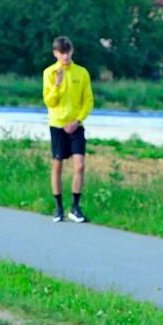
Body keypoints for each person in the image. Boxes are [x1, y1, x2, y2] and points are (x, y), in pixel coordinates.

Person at [42, 35, 93, 223]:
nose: (65, 56)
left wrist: (78, 120)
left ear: (72, 51)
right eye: (61, 53)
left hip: (76, 125)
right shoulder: (49, 73)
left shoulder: (82, 73)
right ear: (56, 53)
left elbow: (88, 100)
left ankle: (76, 207)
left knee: (80, 164)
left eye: (67, 52)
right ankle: (58, 207)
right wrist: (56, 85)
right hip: (57, 124)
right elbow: (49, 101)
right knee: (58, 165)